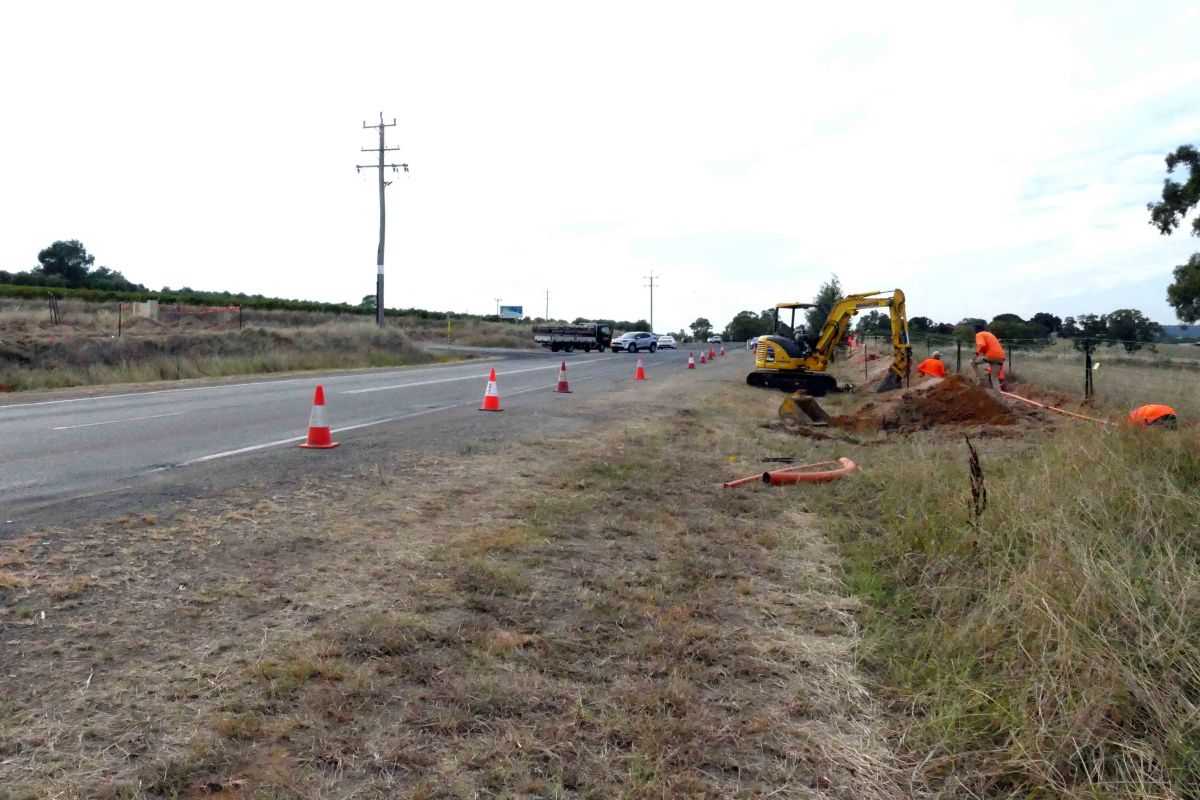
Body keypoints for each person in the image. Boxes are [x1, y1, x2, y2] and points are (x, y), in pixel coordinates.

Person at [971, 323, 1006, 394]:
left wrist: (976, 354)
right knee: (994, 377)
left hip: (991, 355)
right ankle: (998, 397)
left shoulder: (979, 334)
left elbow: (982, 345)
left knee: (972, 362)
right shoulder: (990, 334)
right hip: (1001, 357)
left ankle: (981, 379)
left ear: (975, 330)